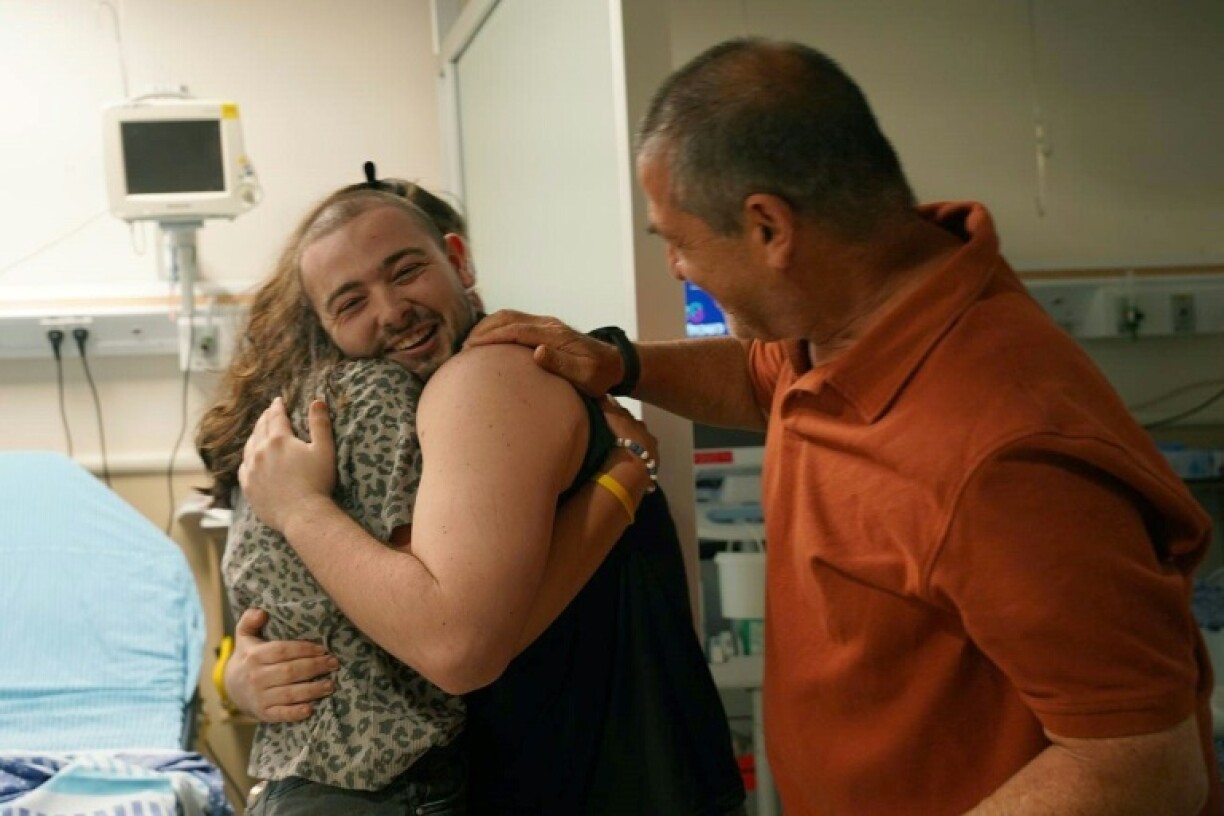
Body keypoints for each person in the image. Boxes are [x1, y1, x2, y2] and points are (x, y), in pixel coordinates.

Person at [465, 38, 1220, 815]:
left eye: (680, 241)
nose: (678, 270)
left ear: (768, 227)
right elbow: (763, 378)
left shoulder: (1006, 452)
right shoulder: (853, 321)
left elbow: (1142, 765)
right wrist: (618, 362)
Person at [197, 176, 747, 815]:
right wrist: (236, 672)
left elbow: (453, 644)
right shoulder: (384, 409)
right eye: (351, 302)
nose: (391, 309)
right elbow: (333, 610)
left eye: (405, 272)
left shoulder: (487, 378)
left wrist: (300, 510)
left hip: (607, 780)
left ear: (457, 260)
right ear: (324, 328)